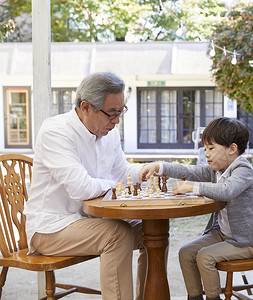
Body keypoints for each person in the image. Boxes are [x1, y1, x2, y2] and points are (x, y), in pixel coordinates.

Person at [23, 72, 147, 300]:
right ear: (86, 107)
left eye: (121, 112)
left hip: (88, 222)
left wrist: (146, 171)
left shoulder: (109, 133)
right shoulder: (56, 132)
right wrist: (115, 185)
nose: (117, 120)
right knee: (116, 234)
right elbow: (81, 188)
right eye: (112, 113)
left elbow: (122, 172)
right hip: (50, 228)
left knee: (152, 229)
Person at [138, 117, 253, 300]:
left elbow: (226, 191)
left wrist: (191, 187)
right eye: (205, 148)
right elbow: (190, 172)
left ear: (232, 149)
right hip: (224, 234)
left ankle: (213, 298)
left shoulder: (243, 169)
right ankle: (195, 297)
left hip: (247, 241)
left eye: (211, 148)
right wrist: (159, 166)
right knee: (186, 253)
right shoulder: (216, 170)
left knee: (205, 257)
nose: (206, 154)